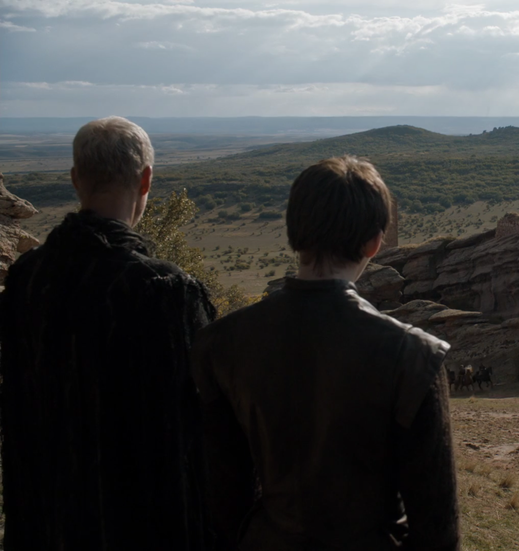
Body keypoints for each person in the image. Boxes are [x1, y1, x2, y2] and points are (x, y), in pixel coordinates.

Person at [191, 156, 460, 550]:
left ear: (293, 233)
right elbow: (437, 530)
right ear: (375, 243)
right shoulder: (414, 355)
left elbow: (224, 498)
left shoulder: (220, 343)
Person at [0, 116, 217, 550]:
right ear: (146, 180)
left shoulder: (26, 277)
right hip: (139, 527)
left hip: (43, 522)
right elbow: (195, 429)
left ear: (76, 179)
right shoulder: (165, 290)